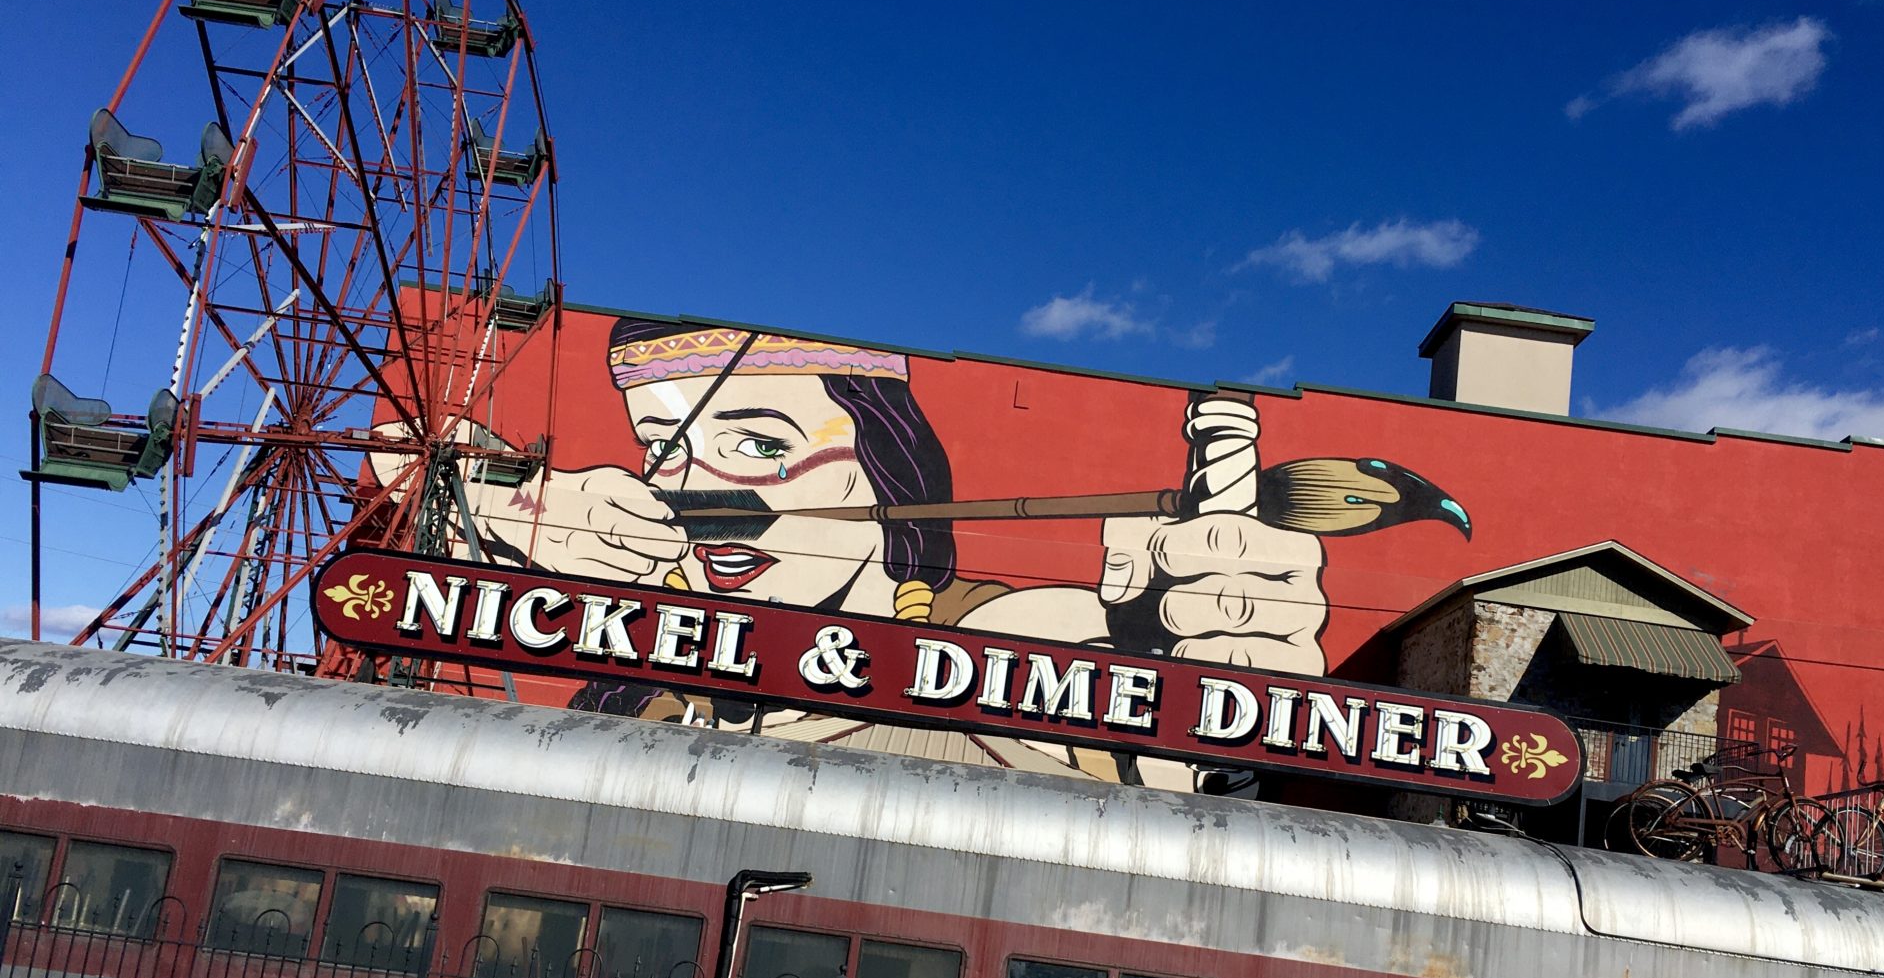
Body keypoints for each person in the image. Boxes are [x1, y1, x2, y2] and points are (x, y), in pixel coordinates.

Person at [463, 319, 1331, 787]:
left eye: (761, 446)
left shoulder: (999, 628)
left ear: (887, 466)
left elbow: (1078, 659)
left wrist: (1191, 677)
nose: (693, 498)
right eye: (664, 449)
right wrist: (511, 502)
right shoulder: (646, 641)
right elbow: (388, 448)